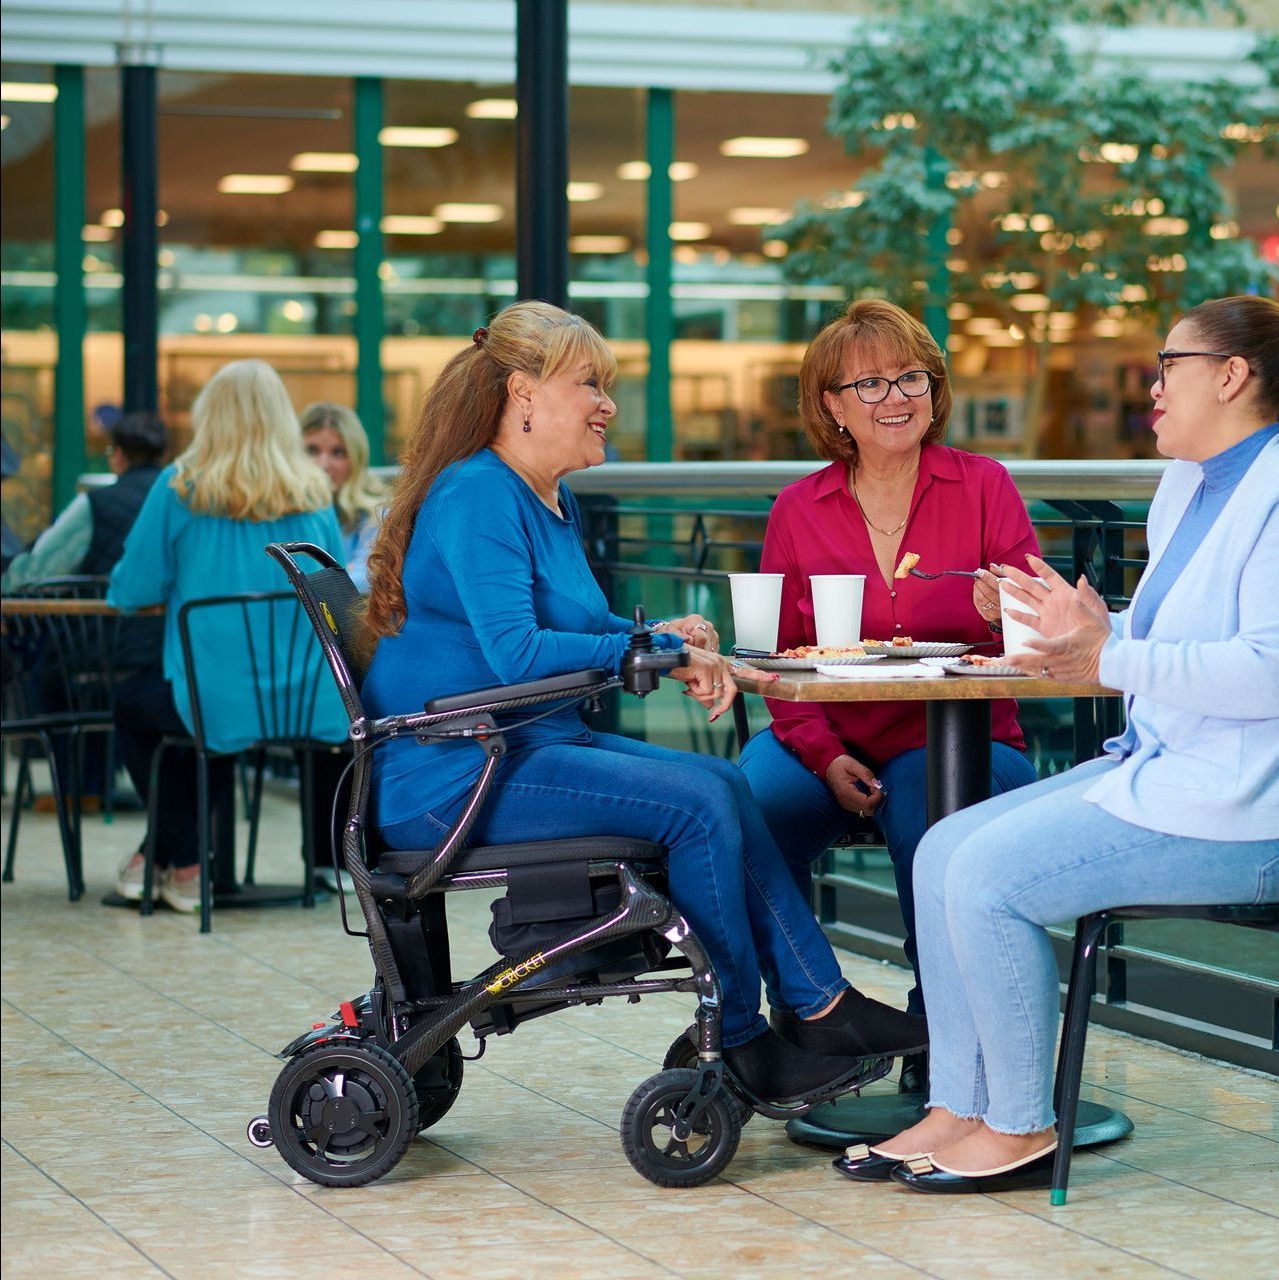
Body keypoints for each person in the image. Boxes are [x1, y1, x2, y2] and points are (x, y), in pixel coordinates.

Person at [359, 300, 927, 1105]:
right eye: (590, 383)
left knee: (726, 783)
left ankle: (819, 1005)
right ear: (523, 394)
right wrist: (660, 653)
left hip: (518, 752)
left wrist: (664, 634)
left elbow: (577, 629)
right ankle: (741, 1038)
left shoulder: (544, 496)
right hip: (454, 777)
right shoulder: (479, 496)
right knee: (699, 801)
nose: (607, 404)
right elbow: (516, 652)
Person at [841, 294, 1279, 1193]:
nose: (1151, 388)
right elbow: (1168, 645)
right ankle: (958, 1106)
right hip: (1169, 773)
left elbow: (1264, 669)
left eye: (1168, 367)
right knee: (939, 851)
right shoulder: (1190, 483)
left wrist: (1109, 651)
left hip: (1244, 807)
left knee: (989, 877)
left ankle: (1017, 1125)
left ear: (1230, 376)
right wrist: (1084, 624)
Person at [737, 299, 1040, 1084]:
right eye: (868, 384)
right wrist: (823, 754)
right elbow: (775, 658)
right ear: (831, 406)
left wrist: (1005, 614)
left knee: (928, 809)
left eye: (910, 377)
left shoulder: (983, 486)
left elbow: (1041, 633)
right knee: (742, 808)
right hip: (826, 738)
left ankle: (941, 1029)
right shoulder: (797, 508)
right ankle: (806, 1016)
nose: (895, 397)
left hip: (966, 739)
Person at [107, 360, 350, 912]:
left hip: (214, 698)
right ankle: (168, 857)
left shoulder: (181, 488)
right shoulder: (314, 492)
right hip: (304, 700)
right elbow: (334, 586)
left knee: (136, 706)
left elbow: (130, 588)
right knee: (203, 716)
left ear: (208, 417)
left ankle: (186, 861)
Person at [2, 410, 167, 595]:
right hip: (172, 619)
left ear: (119, 455)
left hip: (103, 618)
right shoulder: (182, 500)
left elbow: (38, 572)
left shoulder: (97, 504)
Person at [300, 402, 387, 592]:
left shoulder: (377, 514)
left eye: (337, 453)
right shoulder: (285, 513)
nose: (323, 465)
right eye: (312, 451)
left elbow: (365, 582)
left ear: (356, 459)